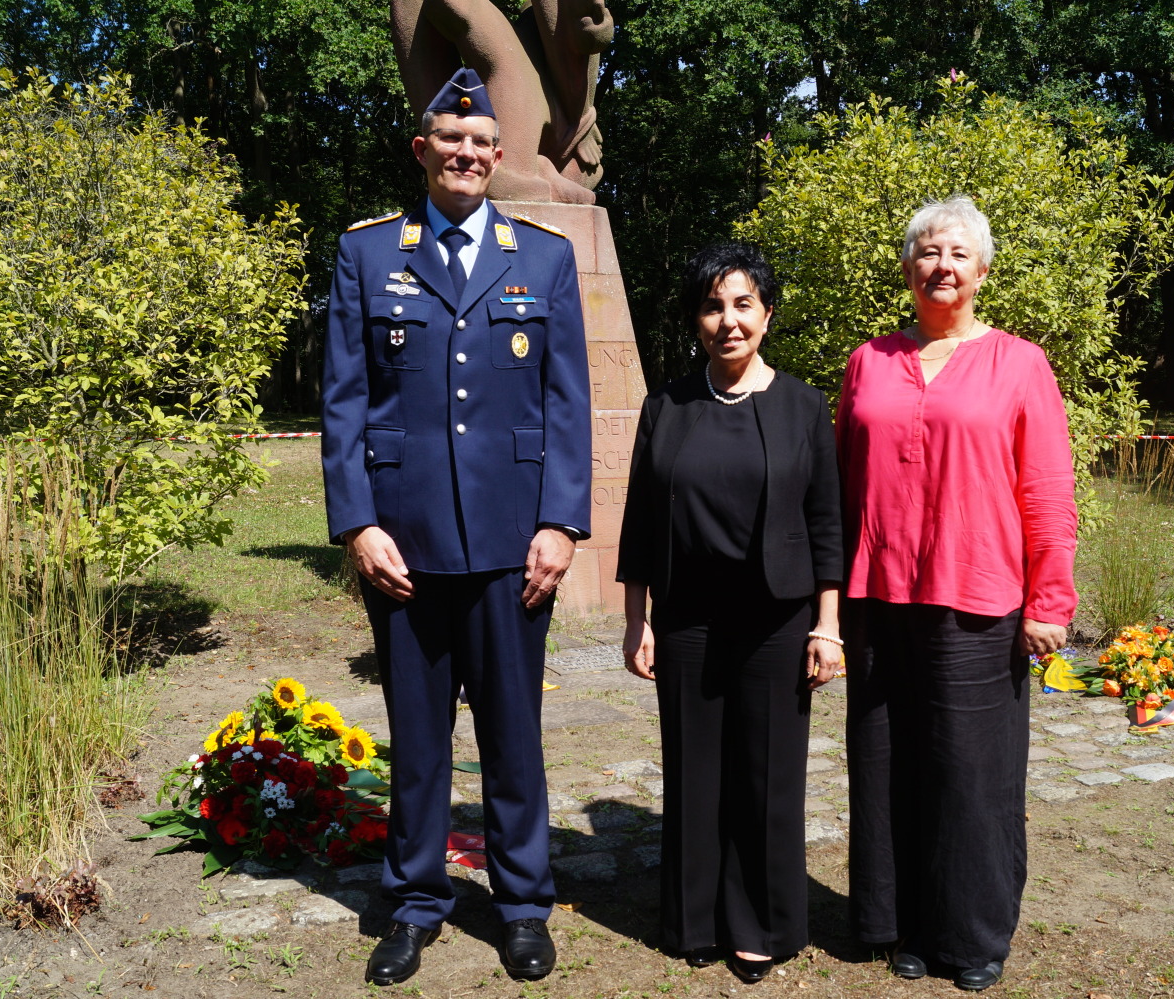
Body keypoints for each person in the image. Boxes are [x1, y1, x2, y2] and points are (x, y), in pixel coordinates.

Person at [320, 67, 591, 987]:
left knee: (514, 735)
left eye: (481, 143)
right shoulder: (366, 256)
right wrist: (357, 525)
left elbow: (566, 407)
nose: (468, 153)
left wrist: (561, 524)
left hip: (516, 544)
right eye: (451, 139)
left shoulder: (544, 257)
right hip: (403, 546)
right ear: (423, 150)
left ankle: (521, 905)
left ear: (498, 157)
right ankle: (417, 901)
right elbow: (345, 406)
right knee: (420, 738)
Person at [836, 195, 1077, 992]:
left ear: (981, 271)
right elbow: (839, 487)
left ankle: (972, 933)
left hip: (979, 596)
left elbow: (1045, 490)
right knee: (888, 765)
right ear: (908, 268)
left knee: (972, 772)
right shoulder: (868, 360)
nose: (942, 266)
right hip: (878, 596)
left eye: (958, 254)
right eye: (928, 252)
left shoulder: (1021, 363)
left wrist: (1050, 600)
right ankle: (902, 921)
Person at [616, 243, 843, 985]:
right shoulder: (667, 405)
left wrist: (827, 622)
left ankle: (761, 922)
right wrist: (636, 616)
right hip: (686, 618)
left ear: (767, 313)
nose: (728, 320)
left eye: (743, 303)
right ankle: (694, 918)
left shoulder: (805, 406)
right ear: (696, 320)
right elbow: (642, 523)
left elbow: (826, 523)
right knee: (693, 771)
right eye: (713, 306)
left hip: (777, 618)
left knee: (767, 774)